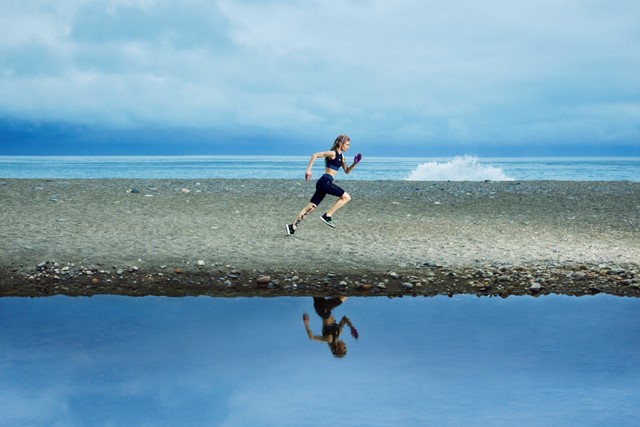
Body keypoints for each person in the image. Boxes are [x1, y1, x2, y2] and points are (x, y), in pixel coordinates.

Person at [286, 134, 362, 235]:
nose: (348, 147)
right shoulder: (332, 153)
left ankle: (292, 226)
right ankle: (327, 215)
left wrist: (354, 163)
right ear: (340, 144)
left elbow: (347, 171)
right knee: (346, 197)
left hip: (324, 183)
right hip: (325, 181)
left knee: (311, 207)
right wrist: (308, 170)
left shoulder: (342, 157)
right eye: (347, 145)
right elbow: (315, 155)